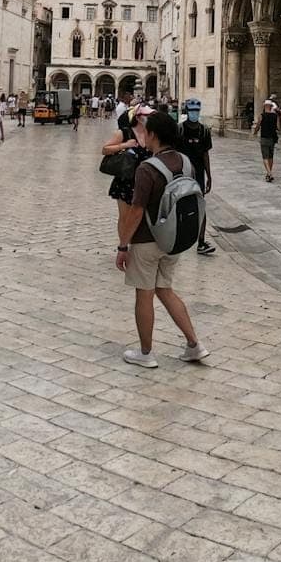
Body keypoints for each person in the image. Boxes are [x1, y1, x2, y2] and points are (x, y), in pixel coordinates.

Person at [108, 110, 209, 369]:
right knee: (165, 289)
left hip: (146, 240)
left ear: (153, 135)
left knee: (144, 295)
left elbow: (137, 210)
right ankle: (194, 344)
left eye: (146, 131)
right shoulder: (186, 162)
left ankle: (146, 352)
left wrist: (122, 245)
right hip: (173, 239)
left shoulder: (147, 168)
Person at [178, 98, 216, 256]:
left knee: (201, 206)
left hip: (199, 175)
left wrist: (209, 175)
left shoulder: (204, 131)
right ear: (187, 111)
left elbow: (205, 153)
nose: (194, 113)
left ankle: (201, 241)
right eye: (192, 110)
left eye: (197, 111)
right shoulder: (179, 130)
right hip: (183, 174)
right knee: (180, 206)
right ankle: (178, 237)